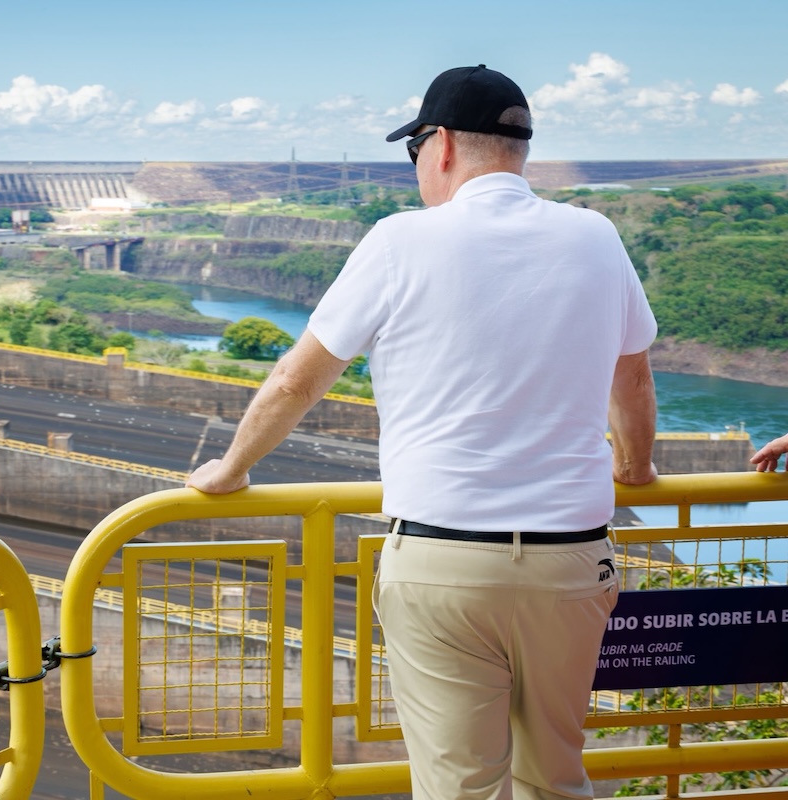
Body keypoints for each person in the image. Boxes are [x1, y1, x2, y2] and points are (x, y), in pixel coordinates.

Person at [187, 64, 659, 799]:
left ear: (437, 146)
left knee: (458, 785)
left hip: (442, 559)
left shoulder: (399, 241)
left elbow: (297, 380)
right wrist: (636, 468)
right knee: (558, 776)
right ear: (519, 151)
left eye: (415, 156)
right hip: (572, 563)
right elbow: (630, 379)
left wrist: (231, 468)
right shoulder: (594, 237)